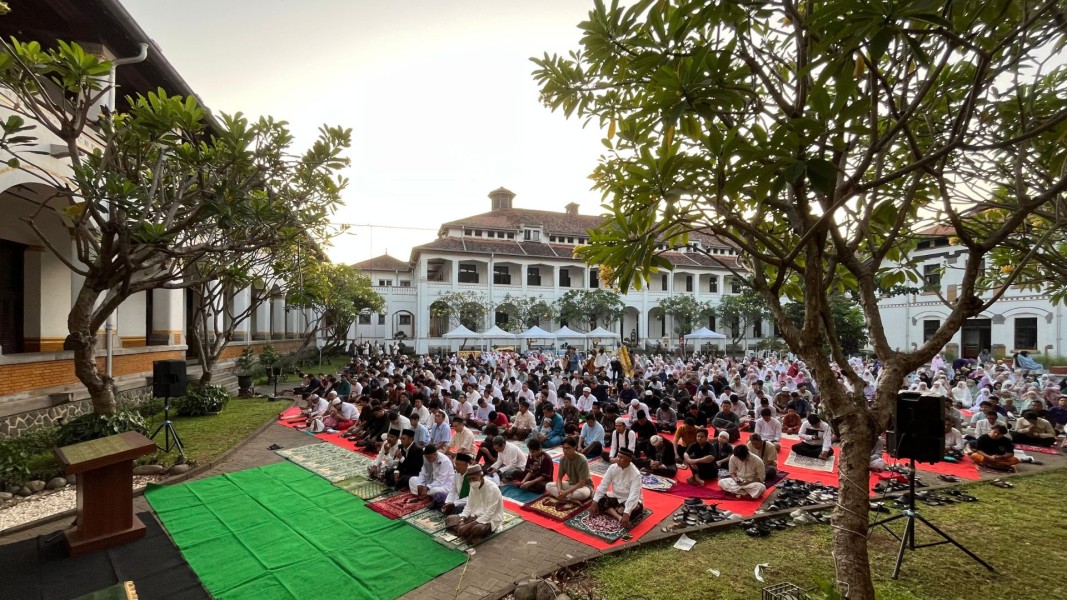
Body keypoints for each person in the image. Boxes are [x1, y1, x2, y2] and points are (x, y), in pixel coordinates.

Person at [444, 464, 504, 545]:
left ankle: (466, 531)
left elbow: (489, 514)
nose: (472, 481)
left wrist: (468, 525)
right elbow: (469, 506)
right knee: (450, 518)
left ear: (481, 475)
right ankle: (467, 533)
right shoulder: (473, 486)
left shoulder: (493, 489)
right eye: (469, 479)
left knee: (477, 528)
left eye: (474, 478)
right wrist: (462, 520)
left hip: (490, 519)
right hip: (474, 516)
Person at [590, 447, 644, 529]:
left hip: (628, 499)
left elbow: (634, 495)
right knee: (595, 496)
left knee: (628, 510)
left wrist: (627, 513)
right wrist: (594, 503)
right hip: (615, 496)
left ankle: (614, 511)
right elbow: (603, 485)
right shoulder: (612, 467)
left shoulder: (636, 474)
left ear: (629, 460)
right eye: (618, 456)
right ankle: (618, 516)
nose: (618, 459)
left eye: (621, 457)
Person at [546, 437, 594, 502]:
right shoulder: (563, 459)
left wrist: (565, 493)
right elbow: (559, 478)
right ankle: (569, 498)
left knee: (578, 494)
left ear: (574, 447)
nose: (565, 451)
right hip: (571, 484)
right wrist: (560, 491)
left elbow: (581, 483)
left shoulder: (582, 460)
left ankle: (566, 497)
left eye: (568, 448)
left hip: (584, 486)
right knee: (548, 486)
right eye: (564, 448)